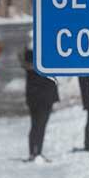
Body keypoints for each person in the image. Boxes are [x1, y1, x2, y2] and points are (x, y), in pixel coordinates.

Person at [20, 31, 58, 162]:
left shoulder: (28, 55)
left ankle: (34, 152)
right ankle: (36, 153)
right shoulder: (46, 53)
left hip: (33, 96)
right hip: (45, 95)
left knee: (35, 124)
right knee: (40, 125)